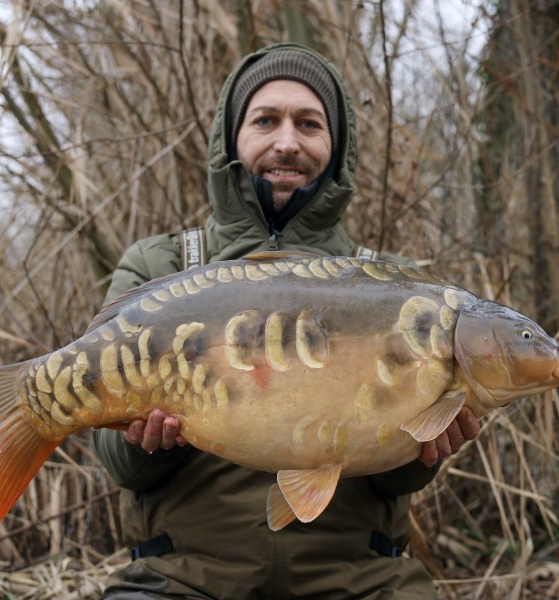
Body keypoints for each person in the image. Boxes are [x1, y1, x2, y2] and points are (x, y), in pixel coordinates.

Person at [93, 43, 480, 599]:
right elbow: (120, 468)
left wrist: (425, 449)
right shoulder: (161, 266)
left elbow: (398, 482)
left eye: (309, 123)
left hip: (362, 583)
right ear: (233, 138)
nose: (287, 142)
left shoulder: (399, 287)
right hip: (182, 583)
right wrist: (148, 440)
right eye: (266, 120)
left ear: (336, 147)